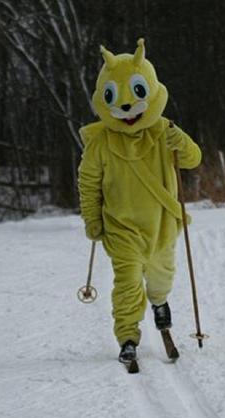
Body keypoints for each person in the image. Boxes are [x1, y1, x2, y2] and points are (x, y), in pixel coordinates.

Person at [77, 38, 202, 367]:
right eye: (115, 98)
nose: (128, 108)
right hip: (121, 228)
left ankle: (160, 302)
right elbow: (88, 183)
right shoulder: (100, 143)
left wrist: (182, 141)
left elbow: (192, 159)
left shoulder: (163, 131)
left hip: (162, 224)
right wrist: (93, 220)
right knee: (128, 282)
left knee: (161, 277)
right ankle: (128, 336)